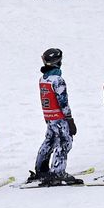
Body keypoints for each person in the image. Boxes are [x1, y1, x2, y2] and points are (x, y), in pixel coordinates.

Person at [29, 48, 79, 185]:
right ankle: (58, 172)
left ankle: (41, 168)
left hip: (50, 116)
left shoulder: (43, 79)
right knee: (64, 141)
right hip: (59, 117)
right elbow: (63, 101)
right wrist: (69, 119)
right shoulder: (58, 80)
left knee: (50, 140)